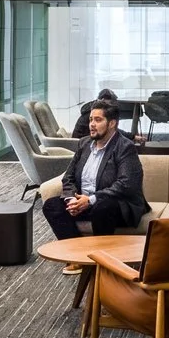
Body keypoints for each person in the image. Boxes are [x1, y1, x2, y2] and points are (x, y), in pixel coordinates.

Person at [43, 102, 147, 240]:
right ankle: (77, 253)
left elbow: (126, 184)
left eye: (98, 120)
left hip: (114, 204)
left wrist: (91, 200)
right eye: (91, 119)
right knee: (51, 205)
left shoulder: (125, 147)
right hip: (83, 202)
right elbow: (69, 176)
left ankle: (100, 256)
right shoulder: (84, 143)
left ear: (111, 124)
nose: (92, 124)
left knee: (102, 207)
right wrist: (72, 199)